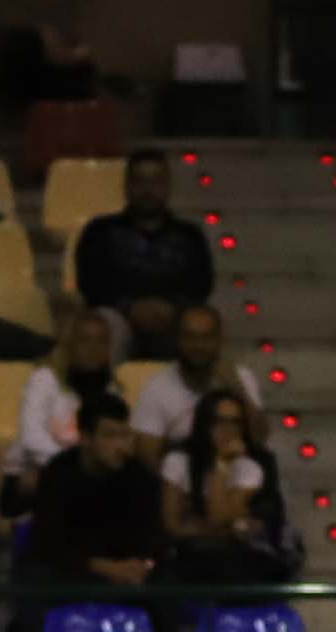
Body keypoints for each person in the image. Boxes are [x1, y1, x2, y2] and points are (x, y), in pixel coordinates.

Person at [23, 392, 170, 616]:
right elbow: (48, 544)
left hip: (126, 574)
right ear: (85, 438)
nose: (122, 446)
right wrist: (104, 568)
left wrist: (142, 565)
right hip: (75, 574)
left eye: (125, 435)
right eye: (110, 436)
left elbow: (153, 540)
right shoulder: (58, 474)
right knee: (37, 577)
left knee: (163, 583)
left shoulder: (139, 476)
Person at [75, 148, 217, 360]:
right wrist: (129, 308)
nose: (147, 189)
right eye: (139, 181)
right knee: (103, 325)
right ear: (127, 186)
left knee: (197, 325)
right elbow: (90, 284)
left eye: (155, 181)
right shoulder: (100, 232)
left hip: (173, 319)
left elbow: (201, 285)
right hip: (118, 317)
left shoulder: (189, 236)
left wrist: (171, 308)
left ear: (167, 186)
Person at [161, 389, 299, 587]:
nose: (228, 430)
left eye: (235, 422)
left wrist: (221, 465)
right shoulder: (178, 461)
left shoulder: (249, 467)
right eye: (220, 421)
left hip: (230, 559)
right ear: (205, 423)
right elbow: (172, 526)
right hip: (187, 558)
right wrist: (223, 528)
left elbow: (217, 519)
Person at [6, 310, 117, 514]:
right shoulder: (44, 379)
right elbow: (31, 439)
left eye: (101, 341)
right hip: (31, 473)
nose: (93, 348)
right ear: (70, 345)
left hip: (88, 475)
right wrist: (76, 467)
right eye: (85, 340)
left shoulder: (112, 391)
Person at [129, 303, 263, 461]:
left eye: (206, 337)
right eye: (190, 337)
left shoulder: (241, 377)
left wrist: (236, 388)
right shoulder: (156, 387)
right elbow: (147, 460)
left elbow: (260, 439)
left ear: (219, 340)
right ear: (178, 340)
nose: (198, 345)